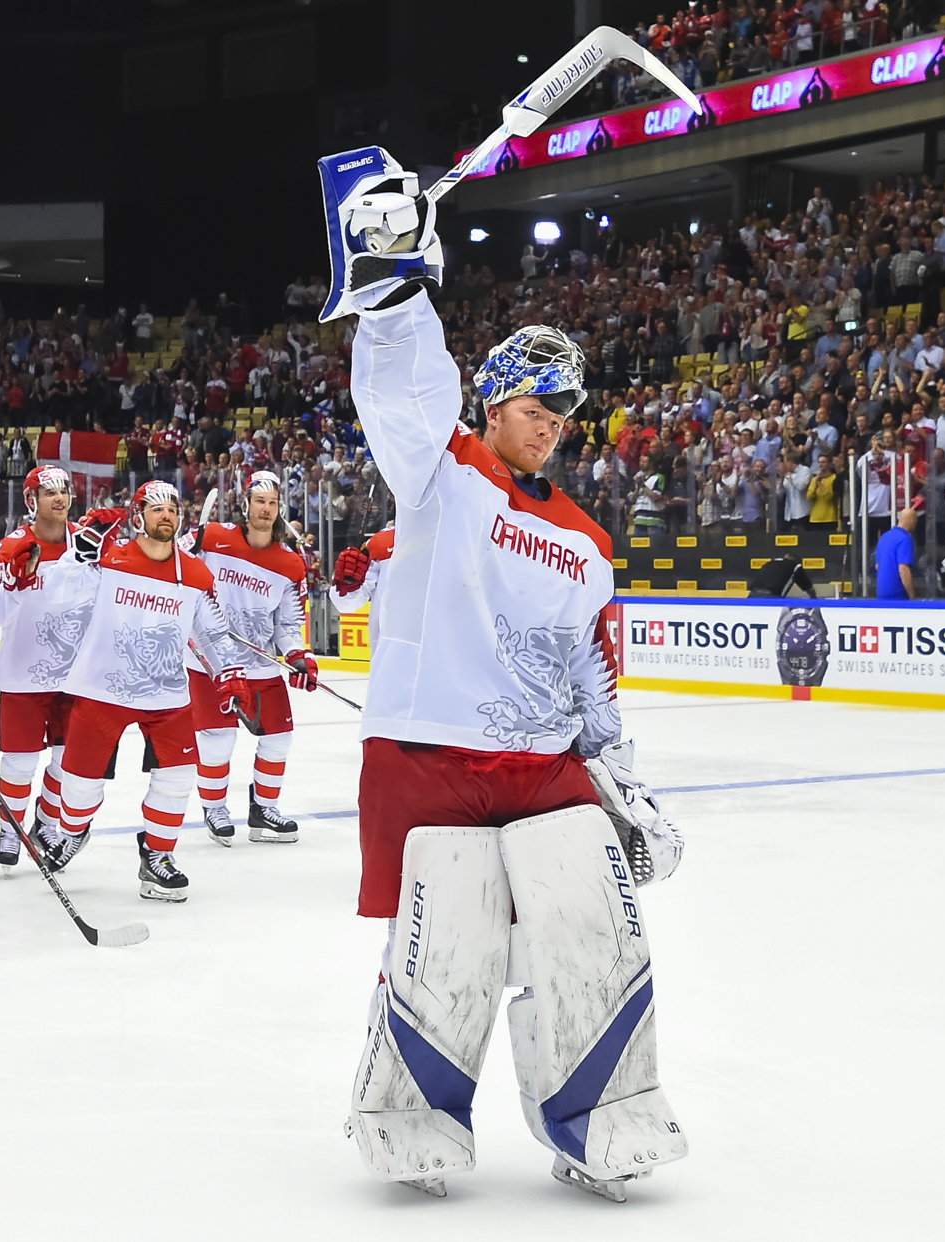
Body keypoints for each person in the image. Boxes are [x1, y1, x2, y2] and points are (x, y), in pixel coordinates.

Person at [319, 145, 685, 1203]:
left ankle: (605, 1112)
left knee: (591, 916)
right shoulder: (442, 471)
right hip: (432, 755)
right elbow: (401, 383)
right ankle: (408, 1112)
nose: (554, 427)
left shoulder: (583, 539)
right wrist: (394, 283)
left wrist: (623, 777)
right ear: (495, 403)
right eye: (537, 407)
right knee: (453, 936)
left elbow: (594, 674)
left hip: (538, 762)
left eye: (564, 414)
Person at [7, 480, 249, 902]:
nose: (166, 515)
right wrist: (82, 552)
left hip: (167, 695)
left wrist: (228, 670)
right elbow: (61, 592)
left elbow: (210, 631)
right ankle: (71, 830)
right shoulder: (109, 557)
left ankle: (157, 857)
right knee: (79, 788)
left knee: (176, 779)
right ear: (138, 516)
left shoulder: (193, 571)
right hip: (102, 689)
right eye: (155, 509)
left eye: (173, 508)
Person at [188, 470, 317, 844]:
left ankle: (263, 810)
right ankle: (214, 809)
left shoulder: (290, 563)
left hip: (260, 665)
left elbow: (289, 622)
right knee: (217, 738)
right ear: (245, 504)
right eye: (259, 501)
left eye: (273, 502)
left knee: (279, 738)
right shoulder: (212, 539)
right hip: (213, 664)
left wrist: (297, 654)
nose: (266, 508)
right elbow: (178, 573)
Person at [0, 465, 80, 868]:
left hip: (75, 674)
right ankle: (10, 829)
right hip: (23, 674)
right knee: (19, 762)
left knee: (66, 760)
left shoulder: (85, 545)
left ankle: (46, 822)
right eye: (49, 492)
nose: (59, 498)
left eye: (65, 491)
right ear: (32, 501)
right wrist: (16, 585)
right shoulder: (10, 546)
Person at [874, 501, 918, 599]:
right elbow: (903, 568)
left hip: (882, 594)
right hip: (898, 596)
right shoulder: (905, 539)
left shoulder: (884, 537)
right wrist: (911, 595)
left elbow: (878, 566)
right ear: (911, 521)